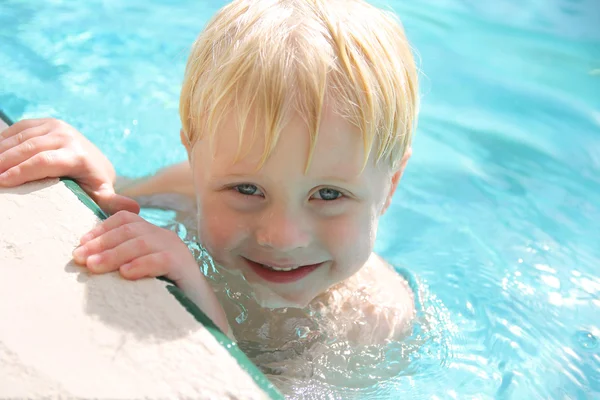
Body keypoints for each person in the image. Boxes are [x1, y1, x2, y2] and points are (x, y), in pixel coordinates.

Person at [0, 0, 419, 372]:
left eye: (329, 194)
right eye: (247, 190)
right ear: (194, 155)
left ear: (392, 186)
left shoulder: (370, 319)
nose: (283, 237)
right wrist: (101, 181)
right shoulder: (186, 185)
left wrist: (196, 293)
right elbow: (127, 195)